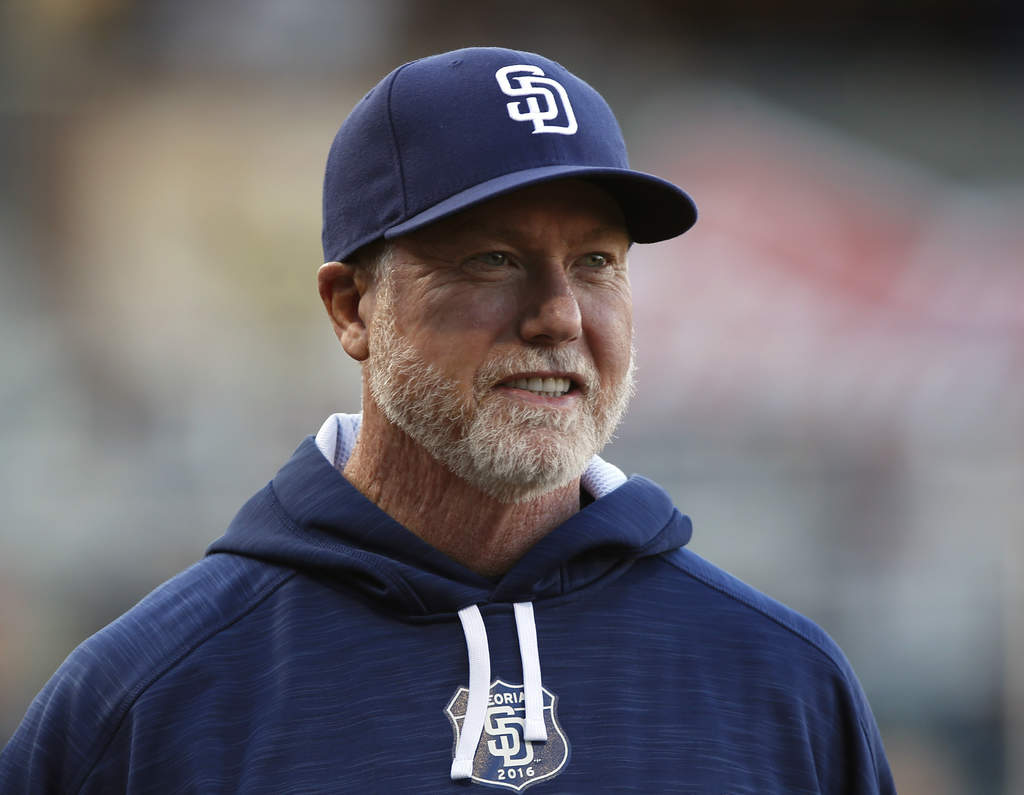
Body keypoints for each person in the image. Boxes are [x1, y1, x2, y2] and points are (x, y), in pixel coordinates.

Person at [0, 47, 895, 793]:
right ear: (352, 307)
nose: (559, 316)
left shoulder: (784, 683)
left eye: (596, 262)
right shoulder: (151, 698)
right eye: (493, 259)